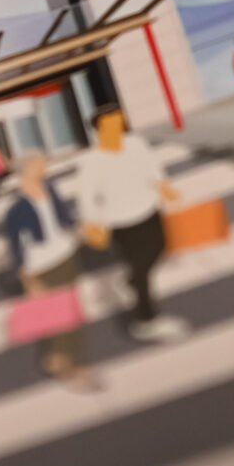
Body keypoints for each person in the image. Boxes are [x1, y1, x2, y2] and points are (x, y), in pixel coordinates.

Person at [69, 108, 188, 343]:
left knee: (160, 246)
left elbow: (151, 168)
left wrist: (163, 186)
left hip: (148, 209)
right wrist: (92, 223)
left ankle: (133, 280)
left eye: (119, 122)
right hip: (121, 221)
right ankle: (145, 320)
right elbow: (85, 196)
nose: (116, 127)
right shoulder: (93, 160)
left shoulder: (135, 144)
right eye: (110, 124)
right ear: (99, 129)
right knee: (140, 266)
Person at [0, 155, 99, 390]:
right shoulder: (16, 211)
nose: (45, 166)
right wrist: (27, 278)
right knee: (62, 317)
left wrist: (79, 230)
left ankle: (57, 358)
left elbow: (63, 217)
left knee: (70, 313)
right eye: (40, 163)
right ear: (27, 170)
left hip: (66, 255)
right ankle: (72, 367)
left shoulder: (50, 188)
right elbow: (16, 248)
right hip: (42, 265)